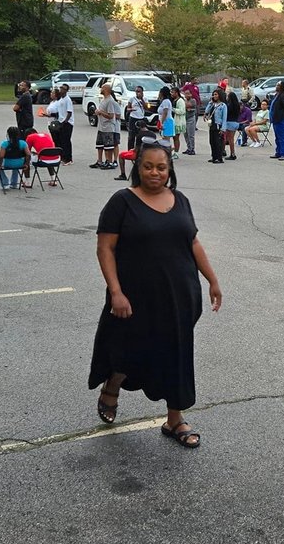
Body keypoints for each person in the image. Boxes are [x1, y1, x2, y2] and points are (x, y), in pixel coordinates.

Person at [89, 141, 223, 447]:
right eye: (148, 166)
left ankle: (175, 419)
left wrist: (212, 280)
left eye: (161, 167)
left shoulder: (180, 200)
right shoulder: (121, 202)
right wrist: (116, 292)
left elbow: (193, 243)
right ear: (138, 166)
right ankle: (113, 384)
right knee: (129, 348)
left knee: (177, 355)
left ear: (170, 169)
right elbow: (105, 248)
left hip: (179, 296)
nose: (155, 173)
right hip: (134, 297)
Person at [93, 82, 123, 170]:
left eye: (102, 88)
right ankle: (101, 161)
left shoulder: (110, 101)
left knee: (110, 145)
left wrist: (100, 112)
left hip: (109, 127)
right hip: (101, 126)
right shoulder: (104, 100)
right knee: (100, 144)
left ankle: (111, 161)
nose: (100, 89)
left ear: (106, 90)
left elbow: (112, 115)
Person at [48, 84, 75, 164]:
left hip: (67, 123)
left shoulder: (67, 100)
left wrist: (65, 121)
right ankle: (63, 157)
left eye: (63, 89)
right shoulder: (60, 100)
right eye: (61, 88)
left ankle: (69, 159)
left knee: (66, 141)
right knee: (61, 141)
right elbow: (58, 112)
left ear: (66, 91)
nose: (61, 90)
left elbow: (69, 112)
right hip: (60, 122)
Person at [0, 125, 30, 190]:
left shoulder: (5, 144)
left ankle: (5, 183)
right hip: (20, 164)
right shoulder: (23, 143)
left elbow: (1, 156)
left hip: (8, 163)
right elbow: (28, 155)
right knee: (16, 163)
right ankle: (14, 184)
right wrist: (26, 164)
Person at [269, 80, 284, 161]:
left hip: (281, 120)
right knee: (277, 137)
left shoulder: (283, 96)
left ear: (282, 87)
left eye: (278, 85)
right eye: (276, 85)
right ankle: (278, 152)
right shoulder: (276, 95)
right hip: (275, 120)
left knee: (282, 137)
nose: (276, 86)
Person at [205, 88, 227, 164]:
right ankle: (214, 156)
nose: (214, 96)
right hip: (212, 125)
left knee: (218, 142)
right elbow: (207, 111)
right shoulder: (212, 104)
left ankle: (219, 158)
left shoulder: (223, 106)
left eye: (216, 94)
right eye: (213, 94)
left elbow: (224, 118)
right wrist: (210, 102)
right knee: (212, 141)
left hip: (218, 125)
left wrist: (223, 128)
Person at [180, 79, 200, 155]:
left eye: (188, 94)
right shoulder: (184, 100)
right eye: (185, 94)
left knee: (191, 135)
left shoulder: (193, 100)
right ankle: (188, 148)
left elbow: (188, 105)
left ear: (191, 94)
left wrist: (185, 105)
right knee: (186, 135)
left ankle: (192, 149)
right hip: (184, 119)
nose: (187, 95)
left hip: (191, 119)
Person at [125, 84, 147, 152]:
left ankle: (139, 150)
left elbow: (146, 107)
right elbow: (128, 108)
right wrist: (131, 109)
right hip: (133, 118)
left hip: (141, 118)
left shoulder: (145, 99)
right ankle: (130, 151)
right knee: (131, 136)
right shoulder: (132, 99)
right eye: (136, 91)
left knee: (140, 135)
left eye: (139, 91)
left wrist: (142, 99)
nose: (137, 93)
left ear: (142, 92)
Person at [224, 85, 242, 159]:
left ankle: (232, 153)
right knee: (231, 139)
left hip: (229, 122)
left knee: (229, 139)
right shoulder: (237, 105)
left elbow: (226, 114)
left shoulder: (229, 106)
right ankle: (232, 153)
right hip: (236, 122)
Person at [157, 86, 176, 156]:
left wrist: (162, 123)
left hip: (167, 121)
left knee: (166, 140)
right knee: (164, 138)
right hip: (165, 121)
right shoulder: (164, 101)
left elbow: (165, 112)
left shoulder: (165, 102)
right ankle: (168, 153)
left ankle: (168, 154)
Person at [172, 87, 186, 156]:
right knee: (174, 138)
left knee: (176, 137)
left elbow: (182, 111)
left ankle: (176, 153)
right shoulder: (174, 100)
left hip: (179, 122)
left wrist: (173, 109)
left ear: (176, 93)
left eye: (173, 92)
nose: (171, 94)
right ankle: (175, 151)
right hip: (174, 121)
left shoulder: (180, 100)